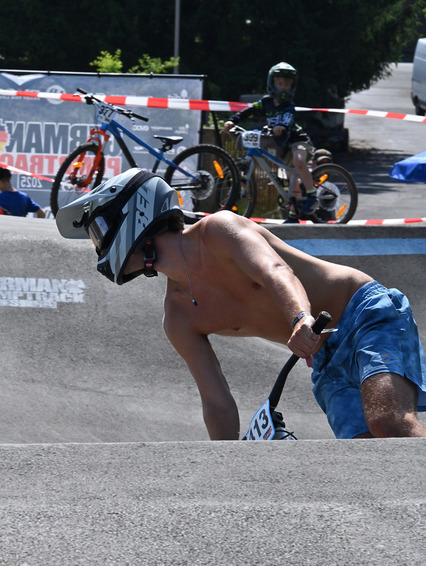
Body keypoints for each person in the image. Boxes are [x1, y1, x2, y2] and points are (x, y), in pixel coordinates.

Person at [56, 168, 426, 440]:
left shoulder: (219, 230)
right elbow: (216, 401)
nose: (99, 247)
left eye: (99, 232)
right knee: (367, 456)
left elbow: (276, 271)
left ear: (134, 212)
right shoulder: (178, 317)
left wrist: (300, 317)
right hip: (325, 362)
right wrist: (229, 466)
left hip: (363, 312)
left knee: (389, 424)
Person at [223, 62, 316, 223]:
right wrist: (233, 120)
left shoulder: (288, 105)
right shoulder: (266, 102)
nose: (284, 88)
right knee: (291, 178)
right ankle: (293, 214)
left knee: (298, 162)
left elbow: (288, 118)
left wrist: (282, 126)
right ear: (272, 84)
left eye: (287, 84)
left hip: (297, 140)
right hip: (283, 145)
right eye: (280, 84)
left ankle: (312, 195)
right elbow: (251, 110)